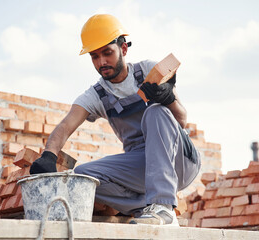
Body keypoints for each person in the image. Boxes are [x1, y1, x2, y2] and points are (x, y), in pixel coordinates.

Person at [30, 14, 201, 226]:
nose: (101, 62)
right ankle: (146, 210)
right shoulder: (96, 95)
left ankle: (163, 206)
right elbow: (65, 126)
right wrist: (48, 155)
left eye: (107, 53)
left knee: (155, 111)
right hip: (144, 165)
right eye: (94, 56)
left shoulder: (148, 70)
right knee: (84, 177)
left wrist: (168, 99)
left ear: (123, 49)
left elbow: (182, 119)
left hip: (180, 160)